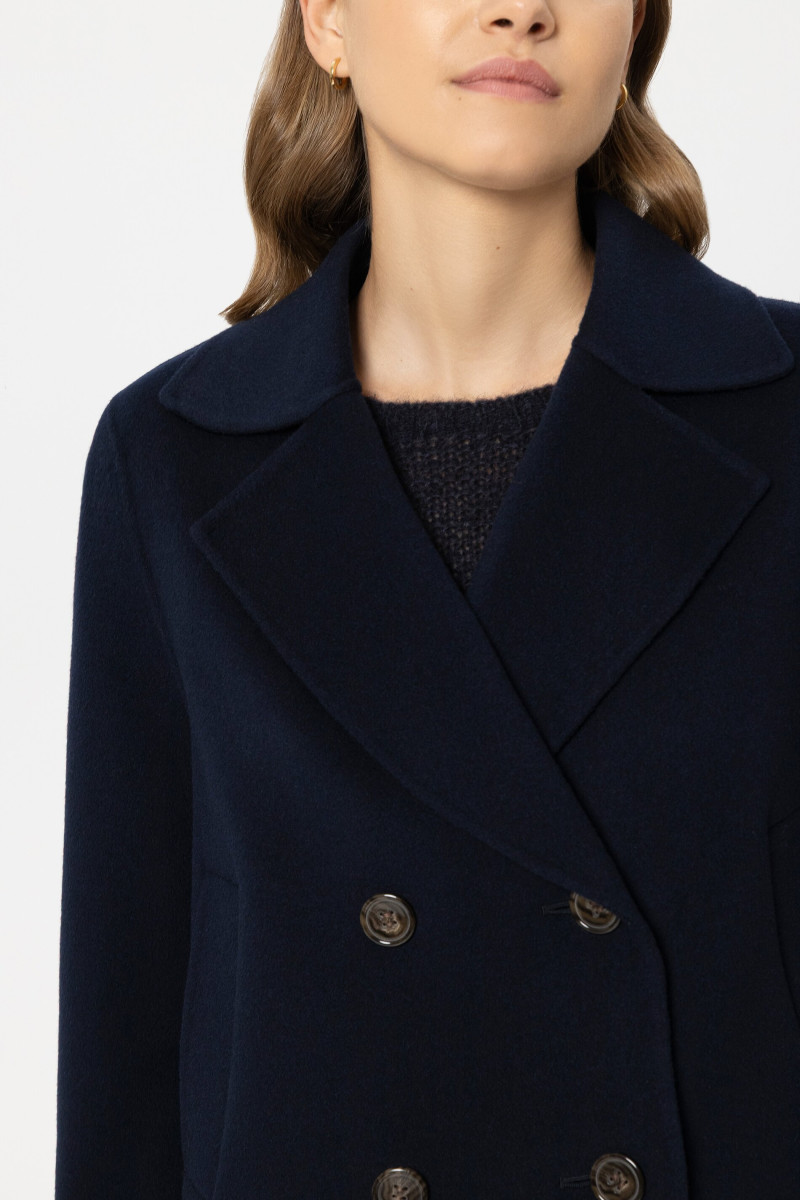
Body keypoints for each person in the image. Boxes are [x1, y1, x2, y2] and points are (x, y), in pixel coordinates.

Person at [55, 1, 800, 1198]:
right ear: (328, 22)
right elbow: (126, 1046)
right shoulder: (176, 459)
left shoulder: (780, 418)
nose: (521, 8)